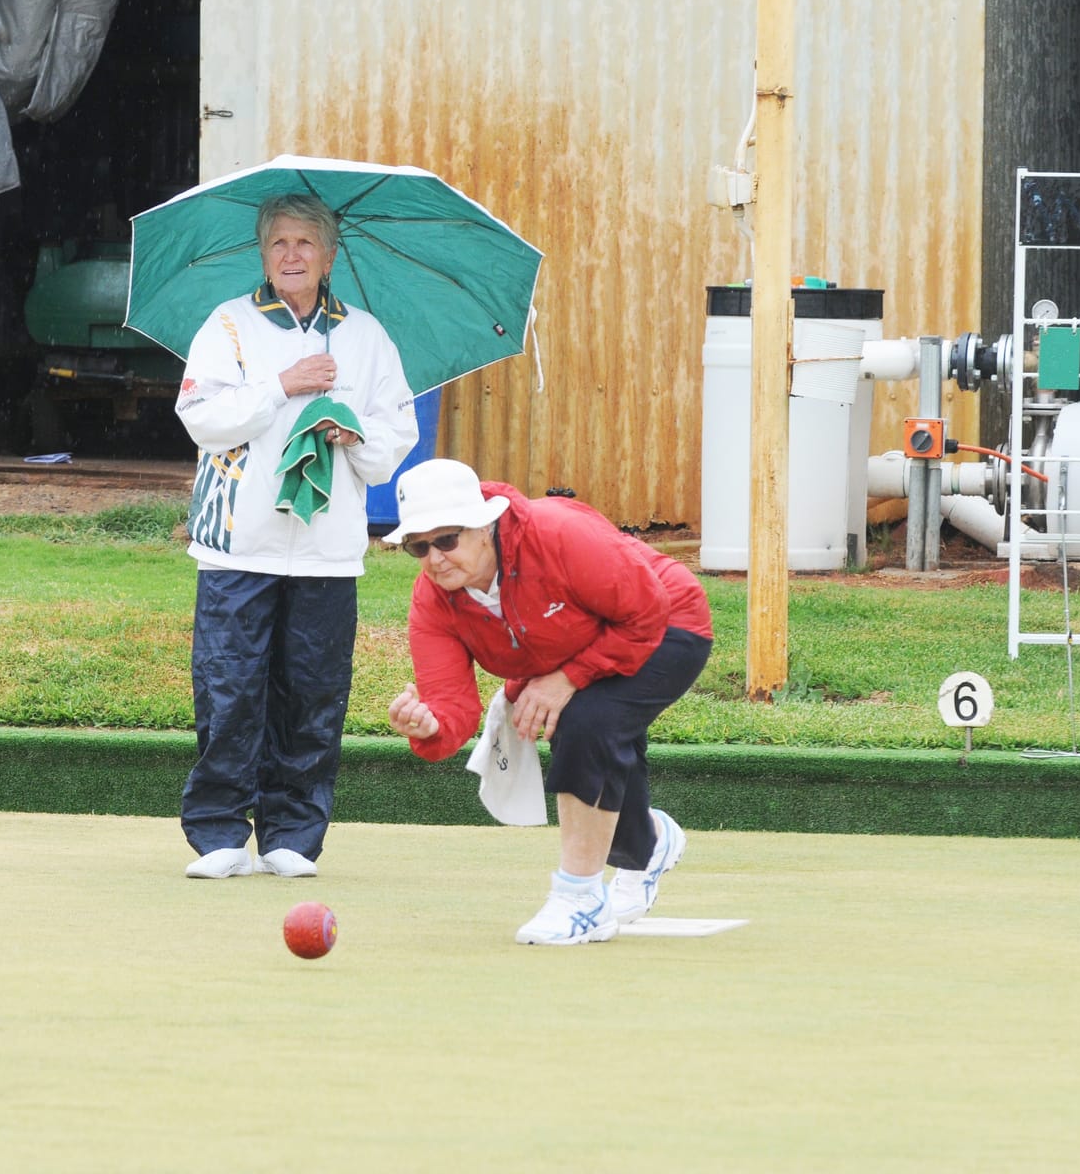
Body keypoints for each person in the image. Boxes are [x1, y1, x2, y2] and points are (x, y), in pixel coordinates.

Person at [174, 192, 418, 879]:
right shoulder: (228, 325)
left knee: (313, 692)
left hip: (327, 549)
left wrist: (354, 434)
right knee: (231, 687)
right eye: (279, 243)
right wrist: (282, 385)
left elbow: (397, 429)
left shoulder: (366, 335)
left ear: (330, 256)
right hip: (236, 542)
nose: (291, 256)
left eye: (305, 244)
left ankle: (292, 834)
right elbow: (201, 417)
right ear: (263, 253)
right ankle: (220, 831)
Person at [384, 459, 713, 945]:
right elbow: (451, 706)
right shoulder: (433, 599)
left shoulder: (558, 533)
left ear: (483, 527)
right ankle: (650, 844)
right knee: (588, 723)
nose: (434, 558)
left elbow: (645, 613)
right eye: (418, 546)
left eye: (446, 540)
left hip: (668, 624)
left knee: (587, 719)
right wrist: (428, 726)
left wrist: (568, 678)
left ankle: (579, 898)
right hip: (575, 645)